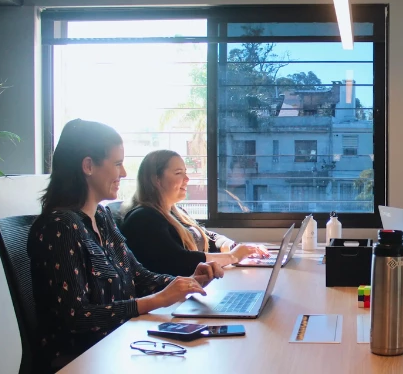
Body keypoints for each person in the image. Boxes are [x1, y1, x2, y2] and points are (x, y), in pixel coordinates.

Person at [28, 119, 223, 371]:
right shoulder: (59, 227)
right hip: (81, 360)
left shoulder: (102, 217)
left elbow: (138, 276)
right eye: (117, 164)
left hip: (118, 343)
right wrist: (155, 300)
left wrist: (187, 282)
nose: (124, 173)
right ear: (88, 166)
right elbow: (76, 317)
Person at [120, 150, 269, 277]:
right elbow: (179, 261)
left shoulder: (176, 212)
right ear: (156, 179)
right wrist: (232, 256)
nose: (187, 179)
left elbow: (209, 238)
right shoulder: (143, 219)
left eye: (185, 173)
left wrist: (234, 247)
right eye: (178, 173)